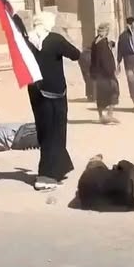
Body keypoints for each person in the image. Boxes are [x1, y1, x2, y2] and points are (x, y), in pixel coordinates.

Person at [26, 11, 80, 191]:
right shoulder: (55, 39)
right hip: (55, 92)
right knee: (56, 132)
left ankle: (60, 167)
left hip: (35, 91)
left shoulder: (27, 41)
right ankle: (47, 175)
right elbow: (75, 54)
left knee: (44, 130)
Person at [91, 23, 119, 124]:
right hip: (106, 74)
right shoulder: (102, 44)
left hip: (98, 74)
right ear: (106, 31)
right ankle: (109, 115)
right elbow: (104, 60)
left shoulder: (96, 41)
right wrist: (111, 71)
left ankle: (102, 116)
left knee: (101, 95)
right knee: (114, 92)